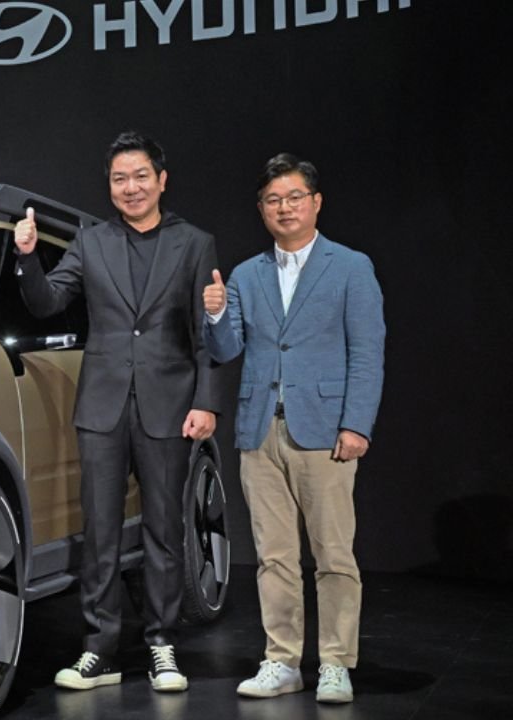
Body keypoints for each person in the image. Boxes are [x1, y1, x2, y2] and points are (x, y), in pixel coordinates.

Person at [14, 131, 221, 693]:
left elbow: (205, 331)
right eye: (119, 179)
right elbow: (47, 302)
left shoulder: (194, 243)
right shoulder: (90, 241)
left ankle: (161, 643)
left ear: (161, 180)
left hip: (169, 405)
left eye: (140, 176)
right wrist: (27, 258)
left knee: (163, 529)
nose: (130, 187)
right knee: (100, 531)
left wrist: (206, 401)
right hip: (102, 406)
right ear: (109, 185)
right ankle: (99, 650)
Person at [202, 154, 384, 704]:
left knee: (333, 555)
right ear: (261, 209)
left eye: (294, 197)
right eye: (273, 200)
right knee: (273, 556)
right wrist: (215, 314)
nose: (284, 207)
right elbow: (226, 350)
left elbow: (367, 353)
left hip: (325, 431)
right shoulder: (245, 274)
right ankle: (282, 661)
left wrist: (356, 424)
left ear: (316, 202)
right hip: (260, 430)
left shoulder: (350, 266)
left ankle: (335, 663)